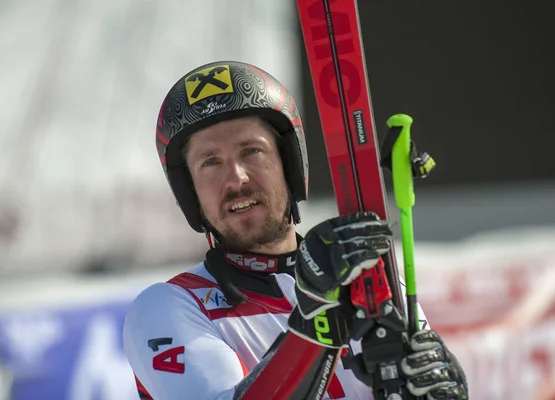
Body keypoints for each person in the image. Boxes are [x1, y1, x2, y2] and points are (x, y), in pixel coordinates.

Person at [123, 61, 468, 399]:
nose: (236, 178)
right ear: (189, 190)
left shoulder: (371, 287)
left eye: (251, 151)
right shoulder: (167, 307)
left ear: (289, 164)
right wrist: (314, 318)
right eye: (210, 162)